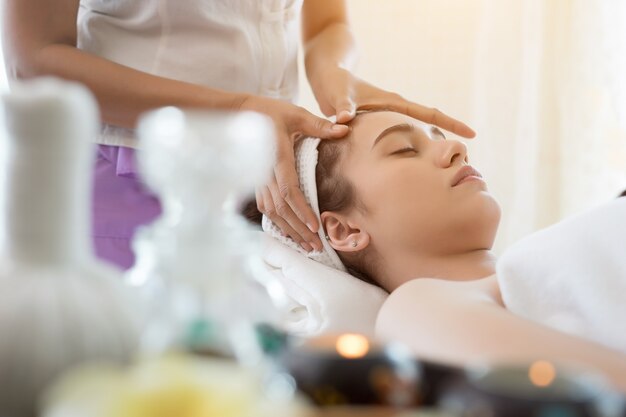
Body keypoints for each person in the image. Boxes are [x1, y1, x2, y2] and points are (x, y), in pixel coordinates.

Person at [1, 0, 474, 269]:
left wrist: (332, 70)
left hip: (263, 180)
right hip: (133, 172)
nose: (453, 151)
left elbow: (326, 21)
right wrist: (242, 108)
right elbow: (35, 60)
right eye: (403, 148)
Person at [261, 110, 626, 392]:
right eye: (404, 149)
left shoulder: (539, 261)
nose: (456, 148)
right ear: (346, 230)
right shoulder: (413, 309)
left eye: (439, 138)